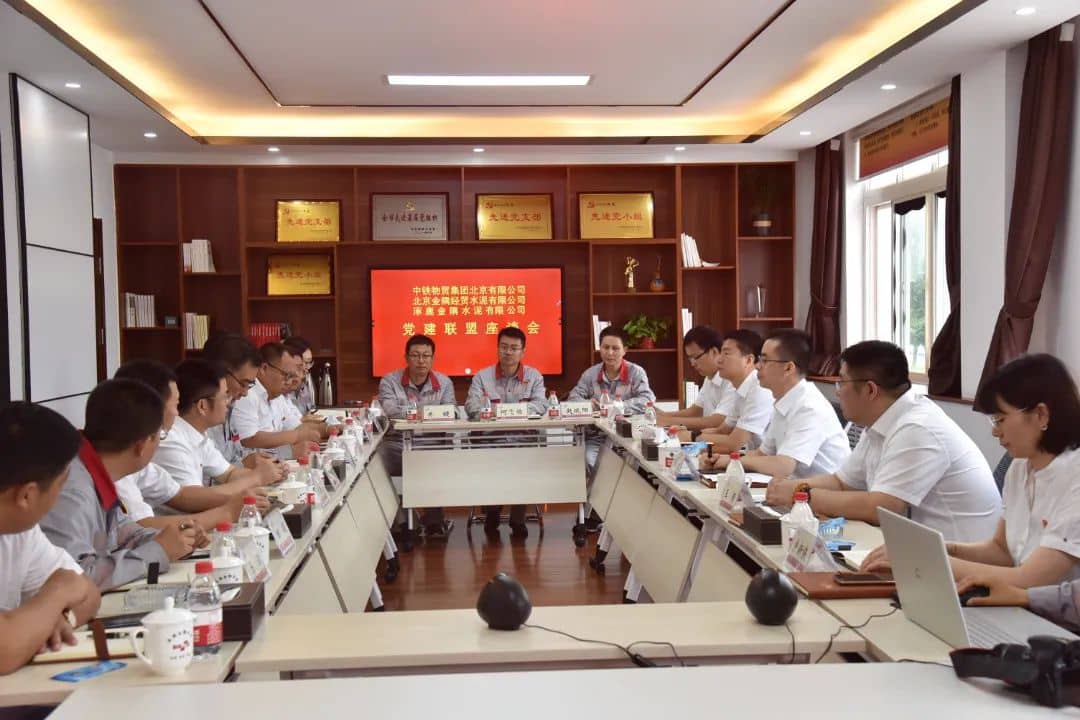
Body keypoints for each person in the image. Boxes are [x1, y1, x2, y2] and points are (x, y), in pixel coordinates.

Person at [863, 354, 1080, 589]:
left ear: (1041, 415)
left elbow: (1028, 579)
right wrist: (939, 548)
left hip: (1052, 611)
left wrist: (926, 559)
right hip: (1016, 600)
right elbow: (1002, 551)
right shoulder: (1020, 466)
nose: (995, 432)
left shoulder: (1074, 477)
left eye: (1000, 419)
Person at [766, 341, 1001, 541]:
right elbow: (842, 483)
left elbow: (881, 507)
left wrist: (803, 496)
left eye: (842, 382)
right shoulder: (881, 421)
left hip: (959, 562)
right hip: (914, 550)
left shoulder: (917, 428)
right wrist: (796, 488)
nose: (837, 391)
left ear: (871, 390)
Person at [40, 379, 196, 589]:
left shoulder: (95, 469)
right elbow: (75, 578)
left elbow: (123, 534)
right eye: (160, 435)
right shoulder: (73, 491)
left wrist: (174, 539)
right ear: (142, 445)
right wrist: (158, 551)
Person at [0, 402, 101, 675]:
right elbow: (4, 651)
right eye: (61, 485)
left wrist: (58, 618)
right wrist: (56, 595)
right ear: (27, 495)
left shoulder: (19, 530)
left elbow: (88, 592)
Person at [114, 361, 265, 533]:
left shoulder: (140, 452)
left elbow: (181, 494)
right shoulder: (163, 442)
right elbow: (138, 528)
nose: (177, 412)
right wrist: (228, 511)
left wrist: (242, 498)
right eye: (175, 404)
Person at [701, 329, 849, 477]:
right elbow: (762, 454)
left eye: (765, 361)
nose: (757, 366)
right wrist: (723, 458)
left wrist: (731, 461)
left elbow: (783, 466)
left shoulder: (809, 407)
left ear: (788, 368)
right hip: (793, 486)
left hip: (820, 490)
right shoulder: (783, 400)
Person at [154, 359, 281, 495]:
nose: (228, 402)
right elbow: (197, 499)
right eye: (225, 396)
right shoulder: (172, 440)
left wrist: (272, 473)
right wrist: (257, 478)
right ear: (202, 406)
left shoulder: (200, 435)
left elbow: (229, 473)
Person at [465, 327, 546, 538]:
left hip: (524, 441)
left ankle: (518, 519)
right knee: (490, 460)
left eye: (513, 348)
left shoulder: (534, 376)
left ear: (523, 351)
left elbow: (541, 405)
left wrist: (500, 411)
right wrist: (492, 412)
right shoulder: (482, 377)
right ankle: (492, 510)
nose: (508, 352)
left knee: (525, 463)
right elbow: (471, 406)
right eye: (504, 347)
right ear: (497, 348)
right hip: (490, 441)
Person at [377, 334, 457, 539]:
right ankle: (403, 521)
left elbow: (452, 411)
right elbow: (390, 409)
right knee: (377, 463)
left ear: (433, 358)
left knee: (439, 460)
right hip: (397, 444)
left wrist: (419, 414)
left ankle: (434, 520)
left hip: (432, 443)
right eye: (415, 355)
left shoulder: (444, 382)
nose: (421, 360)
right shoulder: (390, 381)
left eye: (426, 356)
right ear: (406, 357)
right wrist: (426, 413)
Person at [232, 342, 322, 459]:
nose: (289, 382)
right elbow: (248, 439)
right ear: (264, 368)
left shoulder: (277, 396)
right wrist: (296, 438)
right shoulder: (247, 394)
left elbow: (295, 426)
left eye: (291, 376)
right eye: (286, 375)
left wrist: (327, 429)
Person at [699, 329, 773, 452]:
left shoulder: (759, 389)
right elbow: (722, 430)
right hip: (750, 456)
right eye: (721, 353)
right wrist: (691, 436)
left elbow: (733, 443)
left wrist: (694, 439)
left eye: (726, 354)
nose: (718, 360)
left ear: (748, 360)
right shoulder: (740, 388)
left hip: (765, 460)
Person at [655, 326, 733, 432]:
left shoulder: (732, 380)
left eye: (696, 357)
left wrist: (667, 420)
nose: (692, 364)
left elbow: (718, 421)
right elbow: (696, 411)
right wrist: (663, 415)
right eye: (690, 359)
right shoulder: (709, 377)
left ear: (714, 352)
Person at [202, 332, 263, 466]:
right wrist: (245, 465)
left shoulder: (229, 405)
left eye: (249, 385)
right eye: (242, 383)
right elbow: (209, 474)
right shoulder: (199, 415)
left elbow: (237, 454)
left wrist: (255, 459)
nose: (245, 393)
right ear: (219, 373)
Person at [568, 326, 655, 413]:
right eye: (606, 347)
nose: (610, 353)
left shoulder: (636, 372)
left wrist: (617, 406)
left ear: (624, 350)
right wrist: (588, 405)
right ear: (600, 348)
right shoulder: (590, 374)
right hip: (598, 421)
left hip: (627, 421)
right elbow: (572, 398)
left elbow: (647, 399)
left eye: (615, 348)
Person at [283, 335, 317, 415]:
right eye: (305, 363)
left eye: (310, 362)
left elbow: (310, 412)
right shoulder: (281, 389)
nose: (307, 368)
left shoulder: (303, 384)